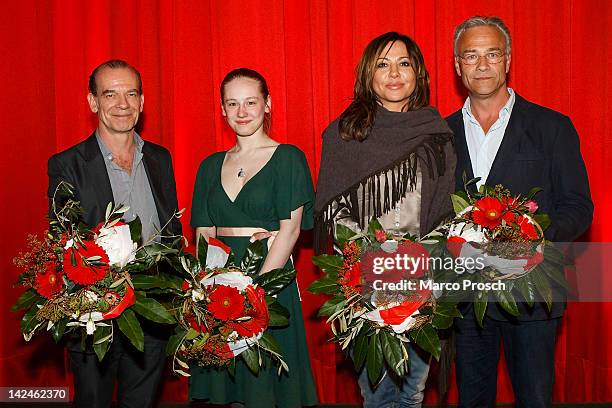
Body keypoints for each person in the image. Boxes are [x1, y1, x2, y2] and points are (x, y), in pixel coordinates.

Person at [447, 16, 594, 407]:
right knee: (471, 400)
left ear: (507, 60)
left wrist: (529, 239)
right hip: (465, 296)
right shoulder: (440, 135)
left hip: (534, 294)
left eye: (491, 54)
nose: (481, 65)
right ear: (457, 65)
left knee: (534, 398)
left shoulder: (553, 127)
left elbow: (578, 207)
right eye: (471, 55)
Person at [315, 32, 456, 408]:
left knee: (412, 393)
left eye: (404, 63)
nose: (394, 73)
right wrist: (371, 265)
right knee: (375, 395)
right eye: (383, 64)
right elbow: (332, 213)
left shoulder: (437, 134)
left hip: (424, 282)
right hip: (365, 284)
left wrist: (422, 265)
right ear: (368, 74)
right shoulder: (345, 134)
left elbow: (446, 214)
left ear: (418, 73)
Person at [47, 60, 182, 407]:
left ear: (142, 101)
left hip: (152, 310)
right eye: (110, 94)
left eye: (131, 93)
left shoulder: (160, 159)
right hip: (96, 314)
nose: (122, 104)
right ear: (93, 102)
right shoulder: (67, 164)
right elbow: (64, 238)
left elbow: (172, 231)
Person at [189, 68, 318, 408]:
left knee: (265, 387)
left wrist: (254, 294)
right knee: (227, 388)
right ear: (222, 110)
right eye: (233, 104)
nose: (242, 112)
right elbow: (203, 234)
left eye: (250, 102)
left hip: (269, 282)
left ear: (268, 104)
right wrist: (209, 287)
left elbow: (289, 231)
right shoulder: (208, 165)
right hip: (219, 287)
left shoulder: (288, 157)